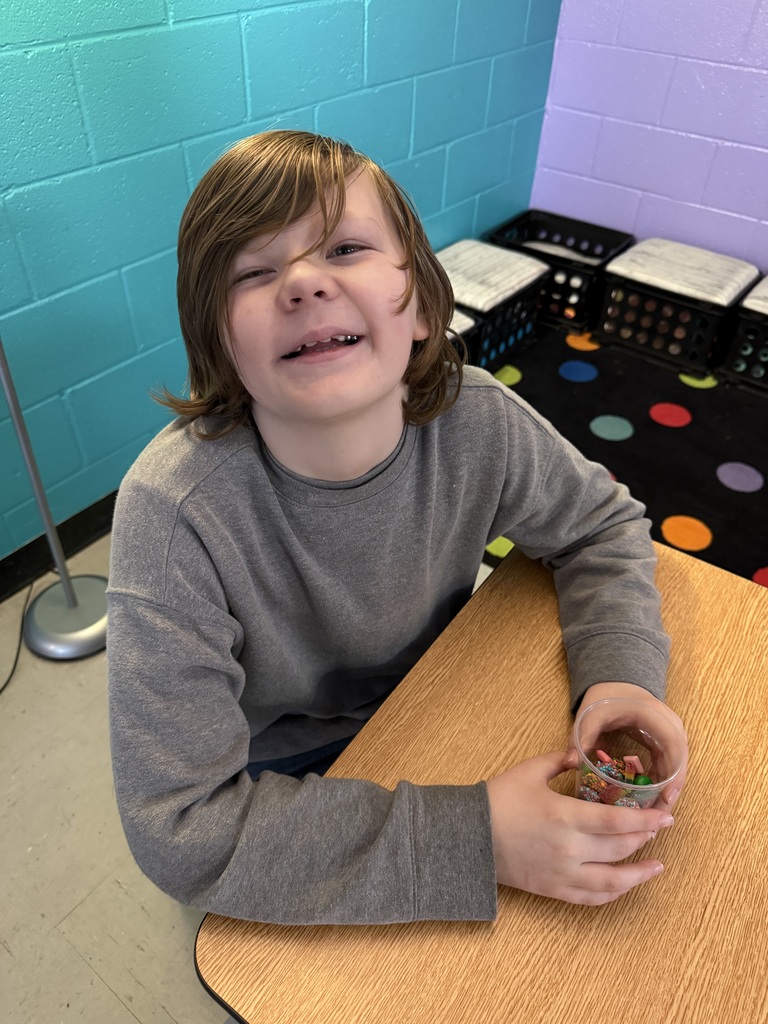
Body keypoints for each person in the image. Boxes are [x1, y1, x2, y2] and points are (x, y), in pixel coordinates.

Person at [106, 129, 687, 926]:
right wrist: (477, 841)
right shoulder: (172, 517)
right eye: (255, 270)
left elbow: (602, 524)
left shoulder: (476, 417)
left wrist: (619, 671)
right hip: (282, 777)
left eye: (344, 248)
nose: (304, 283)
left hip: (443, 698)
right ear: (220, 343)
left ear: (418, 300)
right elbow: (182, 829)